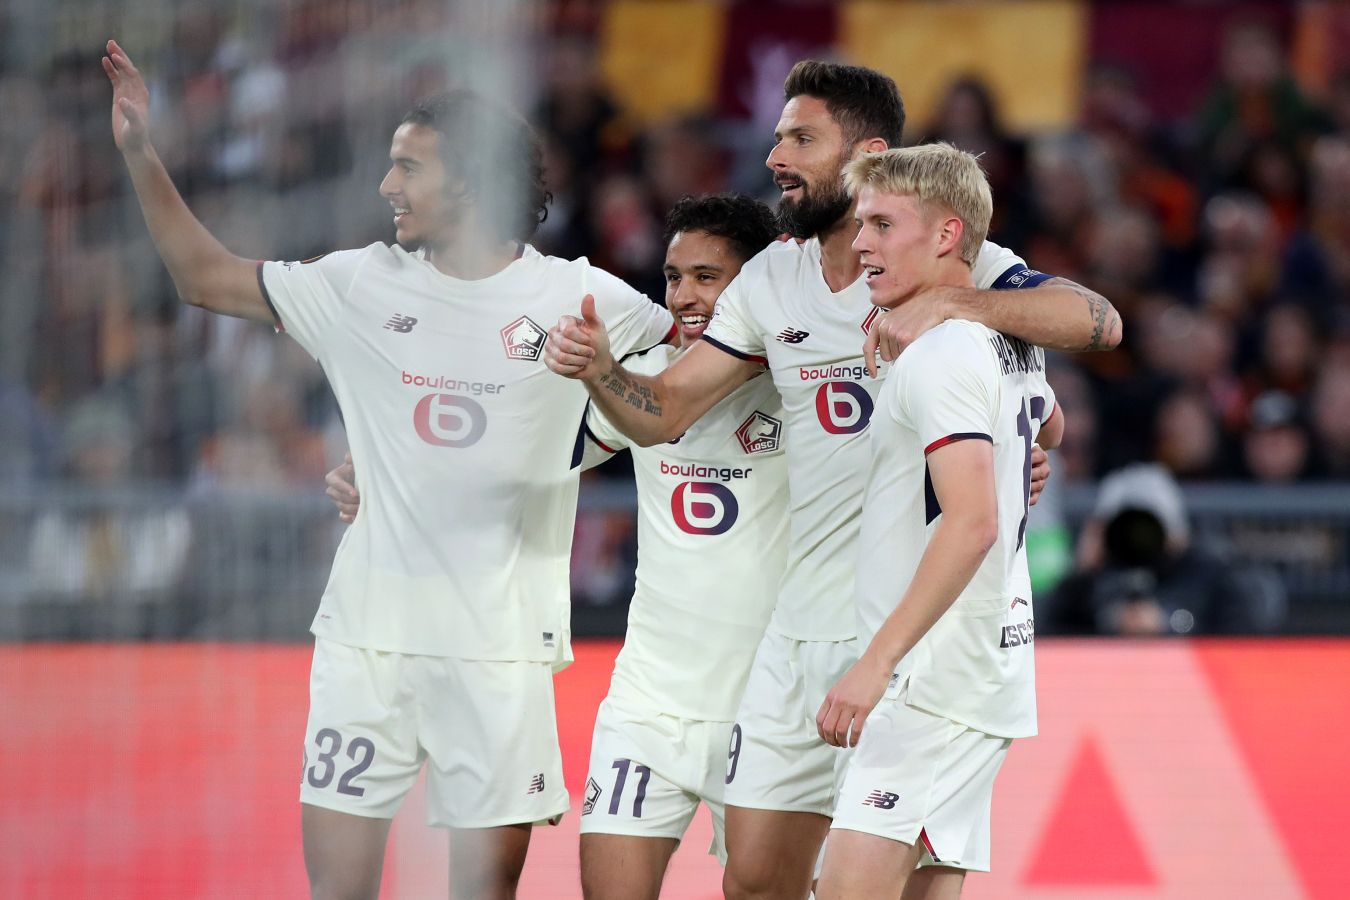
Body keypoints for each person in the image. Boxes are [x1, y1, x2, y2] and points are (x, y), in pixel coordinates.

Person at [103, 40, 674, 900]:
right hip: (366, 645)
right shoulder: (359, 284)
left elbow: (685, 387)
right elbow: (203, 277)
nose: (385, 186)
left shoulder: (583, 297)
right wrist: (142, 153)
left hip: (500, 654)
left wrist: (586, 441)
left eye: (408, 166)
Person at [545, 60, 1121, 900]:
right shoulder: (772, 280)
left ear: (868, 154)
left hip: (913, 632)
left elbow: (1098, 321)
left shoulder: (953, 266)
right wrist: (601, 370)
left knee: (871, 883)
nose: (775, 156)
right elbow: (665, 409)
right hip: (800, 630)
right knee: (754, 879)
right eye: (779, 137)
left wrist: (954, 308)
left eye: (801, 139)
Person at [326, 193, 790, 900]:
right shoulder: (645, 377)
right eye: (674, 276)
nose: (684, 296)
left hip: (768, 706)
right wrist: (392, 479)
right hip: (650, 703)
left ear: (753, 285)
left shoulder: (801, 387)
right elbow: (519, 454)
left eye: (708, 276)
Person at [812, 143, 1063, 899]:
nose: (862, 243)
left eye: (883, 225)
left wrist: (876, 664)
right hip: (980, 668)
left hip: (930, 683)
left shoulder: (941, 353)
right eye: (862, 224)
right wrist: (1017, 458)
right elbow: (1051, 424)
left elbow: (973, 523)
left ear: (948, 234)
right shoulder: (1004, 336)